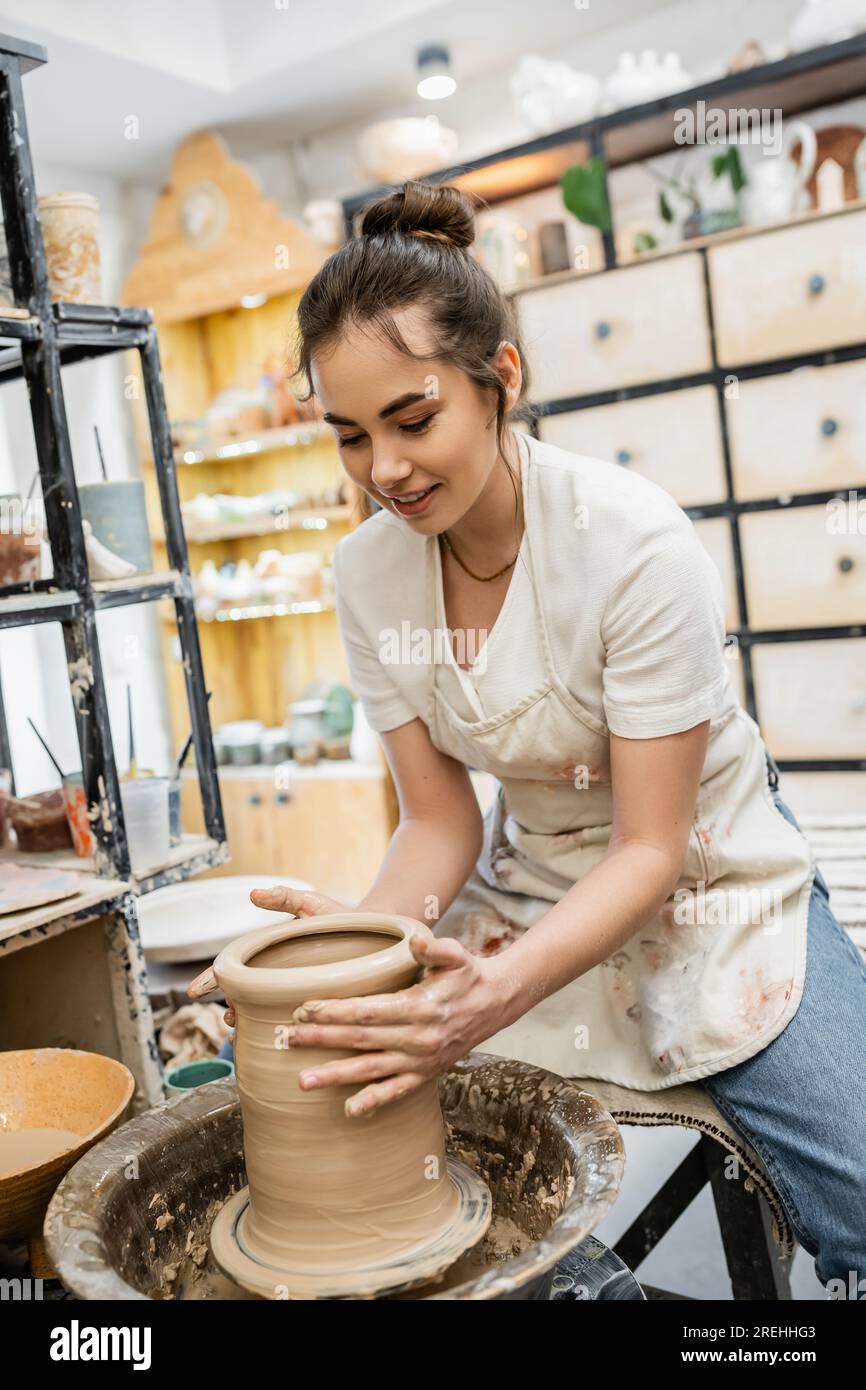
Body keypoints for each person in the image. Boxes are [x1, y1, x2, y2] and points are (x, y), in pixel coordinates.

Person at [189, 179, 866, 1295]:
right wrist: (369, 939)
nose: (385, 472)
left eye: (412, 420)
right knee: (423, 1186)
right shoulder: (365, 574)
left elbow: (649, 852)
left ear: (500, 378)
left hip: (706, 872)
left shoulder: (633, 546)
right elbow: (440, 819)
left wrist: (479, 1002)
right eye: (349, 437)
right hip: (532, 879)